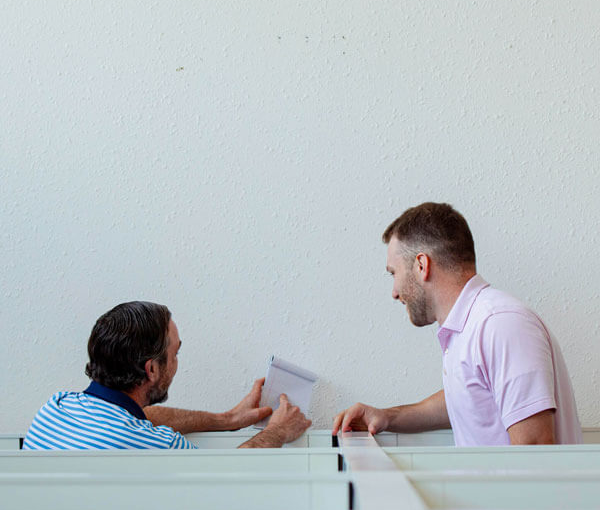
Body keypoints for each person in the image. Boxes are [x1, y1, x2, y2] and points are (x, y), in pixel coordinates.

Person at [333, 202, 581, 446]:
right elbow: (469, 397)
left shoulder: (499, 324)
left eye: (393, 273)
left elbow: (535, 449)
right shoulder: (471, 326)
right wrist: (387, 417)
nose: (394, 292)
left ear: (422, 265)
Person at [23, 301, 311, 449]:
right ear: (151, 369)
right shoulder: (153, 444)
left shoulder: (55, 407)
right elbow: (227, 481)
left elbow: (142, 417)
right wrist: (278, 432)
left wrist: (228, 420)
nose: (176, 363)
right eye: (175, 354)